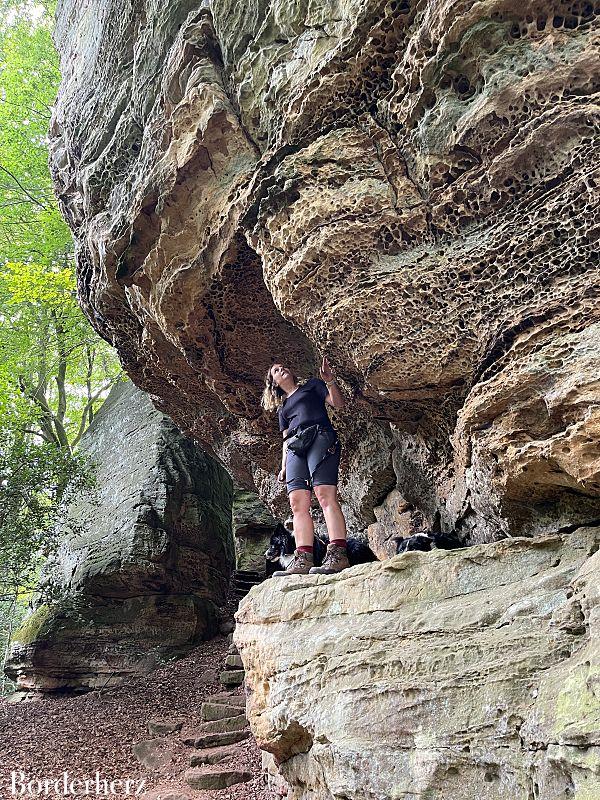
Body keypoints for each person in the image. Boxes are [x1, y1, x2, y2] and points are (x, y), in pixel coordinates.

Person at [260, 356, 350, 576]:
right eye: (276, 371)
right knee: (297, 503)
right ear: (274, 384)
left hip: (319, 436)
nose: (283, 369)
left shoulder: (312, 385)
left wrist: (329, 381)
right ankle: (302, 558)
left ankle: (338, 554)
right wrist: (283, 467)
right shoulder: (283, 410)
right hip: (294, 448)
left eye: (283, 367)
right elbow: (285, 440)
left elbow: (337, 404)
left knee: (323, 493)